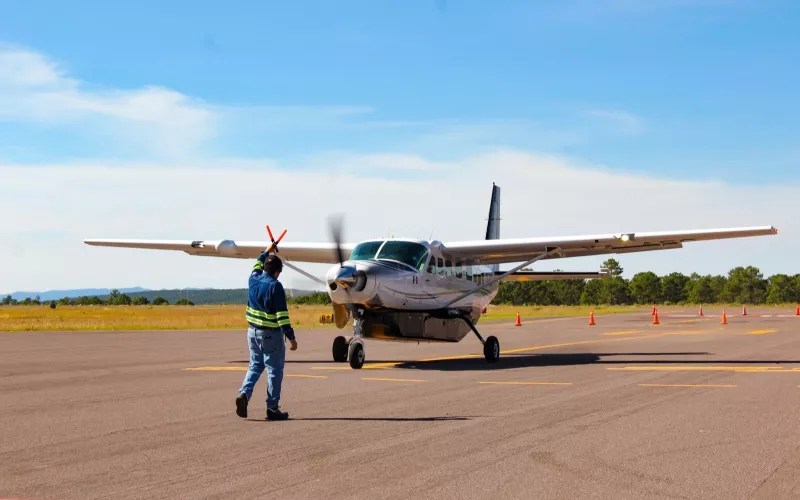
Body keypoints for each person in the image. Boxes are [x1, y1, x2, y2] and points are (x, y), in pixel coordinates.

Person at [235, 245, 298, 421]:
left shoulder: (253, 279)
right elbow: (282, 317)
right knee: (274, 370)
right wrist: (292, 338)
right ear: (277, 272)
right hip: (271, 335)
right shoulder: (276, 287)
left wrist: (266, 251)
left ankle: (244, 394)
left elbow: (257, 263)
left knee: (255, 366)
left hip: (252, 333)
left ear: (264, 268)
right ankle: (272, 408)